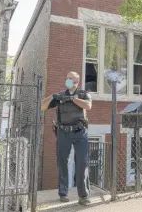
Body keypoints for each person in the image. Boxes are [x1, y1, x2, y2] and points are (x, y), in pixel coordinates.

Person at [41, 71, 92, 205]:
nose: (70, 82)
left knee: (82, 163)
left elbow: (88, 106)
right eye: (68, 79)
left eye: (73, 80)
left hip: (80, 133)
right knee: (62, 163)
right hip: (63, 133)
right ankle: (63, 194)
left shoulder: (83, 93)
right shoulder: (60, 96)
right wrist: (52, 96)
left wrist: (73, 99)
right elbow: (42, 106)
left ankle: (83, 196)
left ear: (77, 82)